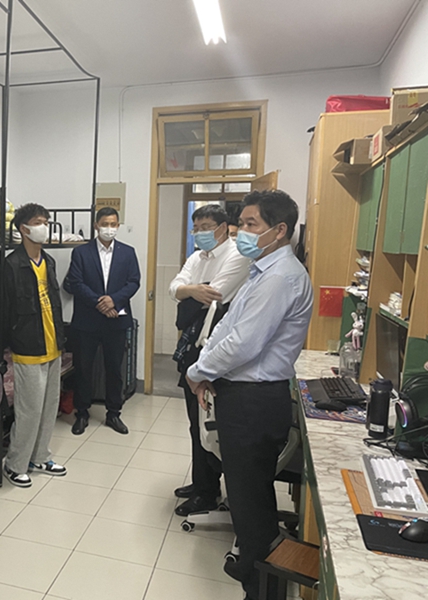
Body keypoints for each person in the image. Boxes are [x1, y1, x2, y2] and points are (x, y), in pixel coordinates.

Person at [186, 190, 313, 600]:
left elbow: (243, 343)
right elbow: (227, 328)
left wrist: (197, 372)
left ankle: (260, 590)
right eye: (241, 223)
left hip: (253, 402)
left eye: (251, 224)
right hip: (244, 397)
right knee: (247, 498)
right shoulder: (263, 270)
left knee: (251, 503)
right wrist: (205, 364)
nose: (242, 231)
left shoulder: (279, 277)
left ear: (280, 230)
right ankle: (251, 569)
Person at [169, 204, 250, 517]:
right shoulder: (197, 257)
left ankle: (207, 492)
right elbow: (174, 288)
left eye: (206, 227)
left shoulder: (237, 254)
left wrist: (189, 292)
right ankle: (202, 483)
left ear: (222, 227)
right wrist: (192, 290)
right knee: (195, 421)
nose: (200, 233)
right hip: (193, 345)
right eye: (197, 228)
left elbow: (216, 293)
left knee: (209, 422)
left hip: (215, 347)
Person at [0, 203, 67, 487]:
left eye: (46, 221)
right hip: (28, 347)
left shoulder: (49, 261)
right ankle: (15, 464)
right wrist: (13, 340)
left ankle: (40, 456)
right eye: (38, 222)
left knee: (49, 407)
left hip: (53, 344)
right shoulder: (11, 264)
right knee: (29, 410)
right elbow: (1, 310)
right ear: (24, 229)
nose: (44, 227)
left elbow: (54, 302)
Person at [64, 207, 141, 435]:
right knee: (83, 369)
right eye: (105, 224)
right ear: (96, 225)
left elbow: (133, 282)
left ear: (118, 226)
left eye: (113, 224)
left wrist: (113, 301)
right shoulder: (81, 252)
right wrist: (101, 303)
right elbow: (76, 283)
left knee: (114, 370)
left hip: (116, 320)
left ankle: (114, 413)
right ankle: (82, 413)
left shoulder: (128, 252)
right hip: (87, 321)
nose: (109, 228)